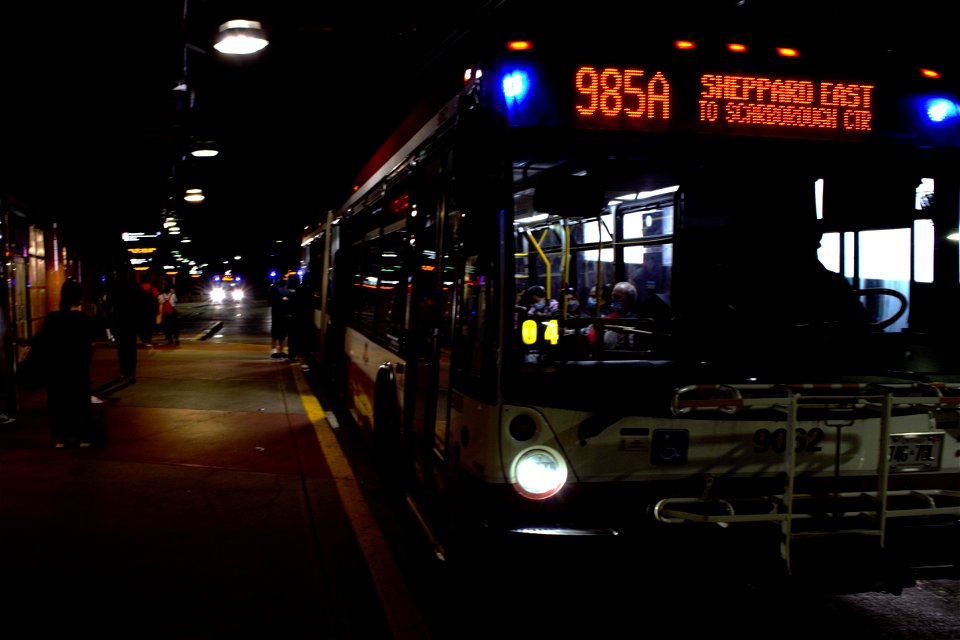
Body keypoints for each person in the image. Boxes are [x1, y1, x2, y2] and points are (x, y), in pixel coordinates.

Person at [36, 279, 99, 448]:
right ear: (79, 298)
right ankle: (82, 436)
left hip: (57, 369)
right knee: (80, 401)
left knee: (58, 403)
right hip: (78, 368)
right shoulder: (84, 320)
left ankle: (60, 437)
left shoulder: (52, 319)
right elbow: (91, 343)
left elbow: (43, 342)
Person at [106, 268, 143, 380]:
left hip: (120, 320)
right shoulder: (134, 286)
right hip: (131, 320)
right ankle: (131, 372)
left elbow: (109, 303)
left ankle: (124, 371)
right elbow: (139, 303)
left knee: (122, 347)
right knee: (131, 347)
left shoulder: (115, 287)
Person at [268, 274, 293, 358]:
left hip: (284, 312)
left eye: (286, 277)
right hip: (276, 312)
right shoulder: (274, 287)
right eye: (284, 277)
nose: (285, 278)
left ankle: (281, 351)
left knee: (283, 332)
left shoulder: (287, 287)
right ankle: (274, 350)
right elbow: (270, 299)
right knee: (275, 332)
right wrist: (280, 299)